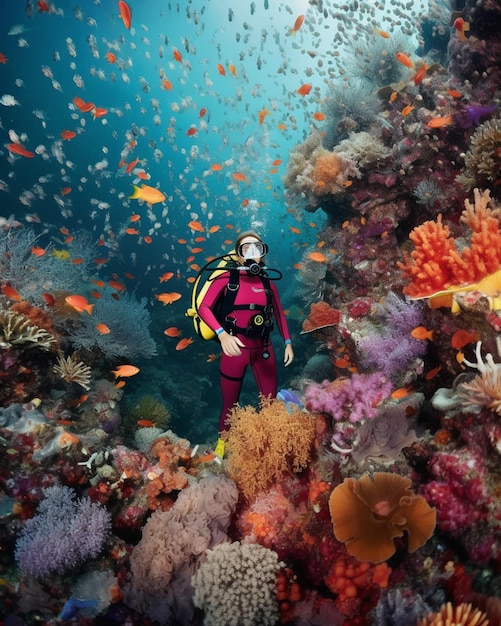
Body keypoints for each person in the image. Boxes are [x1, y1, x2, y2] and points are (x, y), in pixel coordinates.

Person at [198, 231, 294, 457]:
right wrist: (222, 334)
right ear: (238, 255)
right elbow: (204, 308)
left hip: (264, 349)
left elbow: (279, 314)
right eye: (245, 248)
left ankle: (270, 447)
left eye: (257, 248)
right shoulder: (226, 279)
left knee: (269, 402)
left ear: (263, 253)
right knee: (230, 405)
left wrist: (288, 342)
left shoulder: (268, 282)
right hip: (234, 350)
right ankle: (222, 446)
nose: (252, 253)